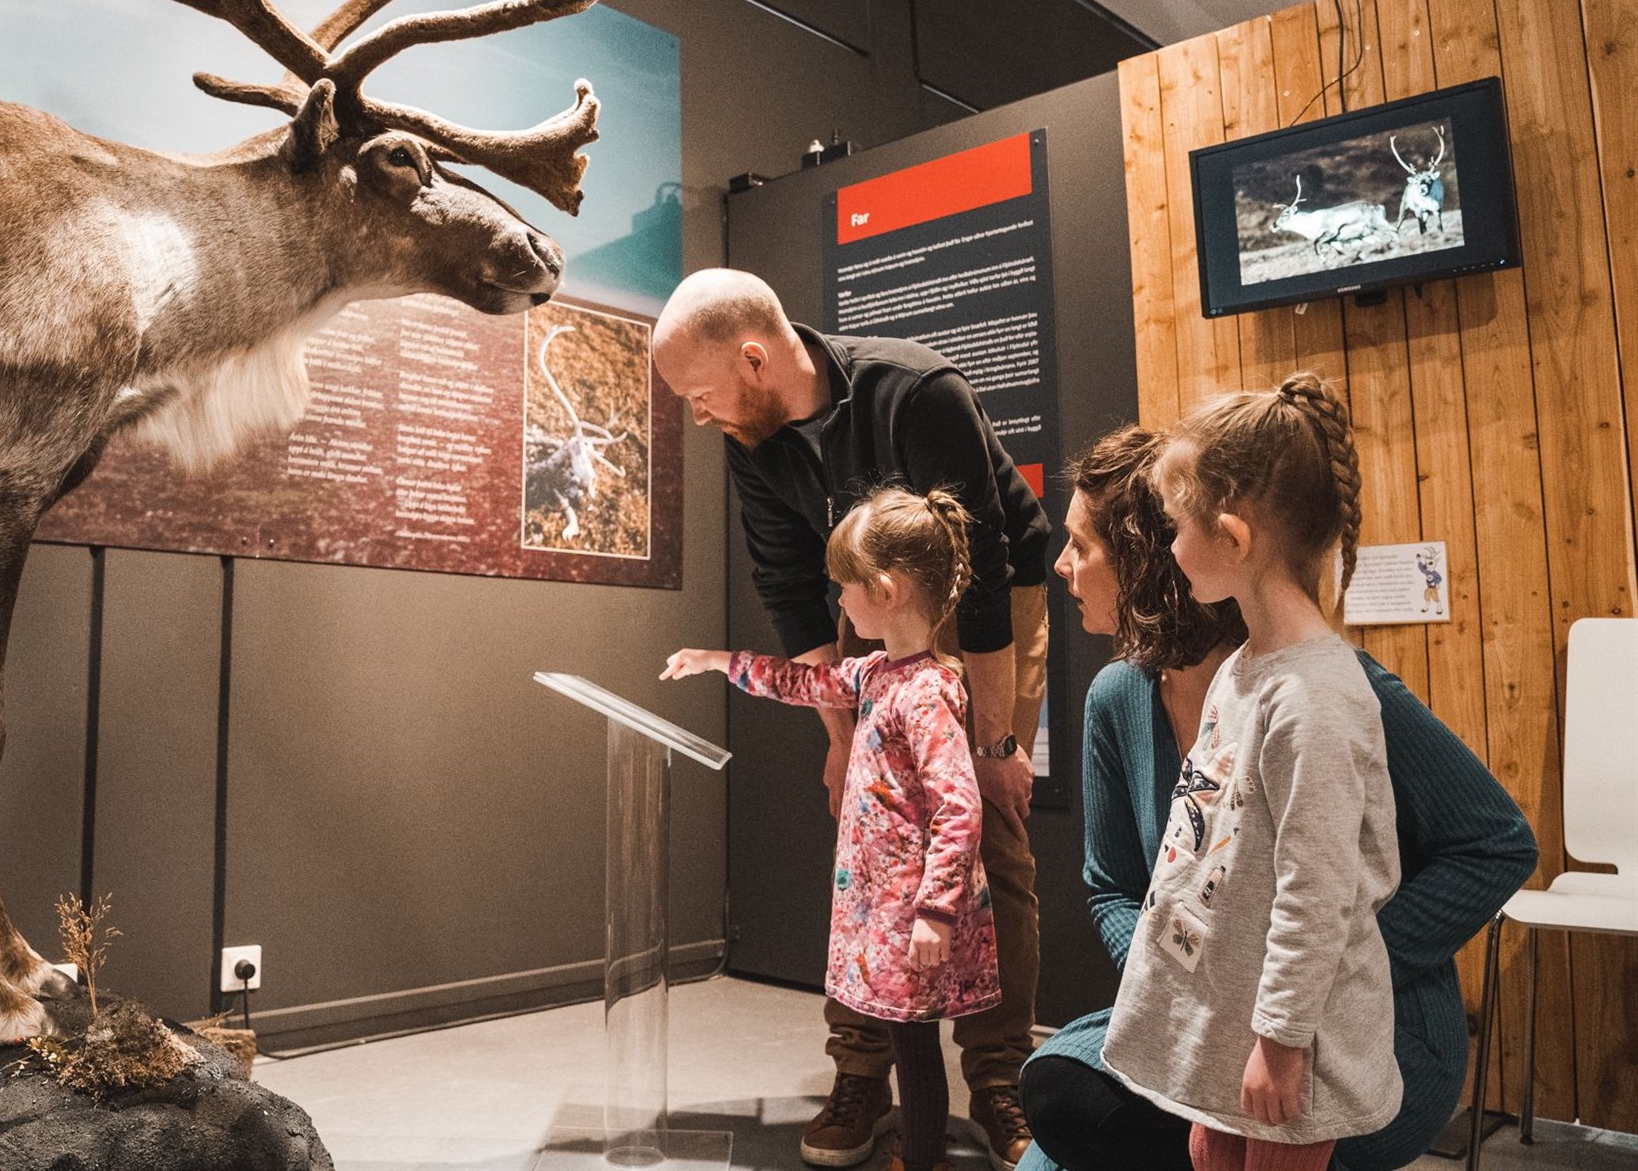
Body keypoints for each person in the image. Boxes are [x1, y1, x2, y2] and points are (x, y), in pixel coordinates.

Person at [1019, 422, 1536, 1171]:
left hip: (1346, 1026)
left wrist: (1314, 983)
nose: (1063, 565)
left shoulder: (1327, 692)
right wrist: (1193, 986)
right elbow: (1114, 890)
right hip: (1213, 1011)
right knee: (1064, 1113)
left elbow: (1497, 844)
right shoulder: (1122, 697)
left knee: (1100, 1124)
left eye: (1082, 544)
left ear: (1154, 554)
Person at [653, 268, 1050, 1168]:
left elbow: (984, 584)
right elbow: (793, 594)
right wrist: (846, 748)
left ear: (754, 359)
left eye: (700, 392)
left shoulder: (917, 393)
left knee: (990, 831)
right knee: (867, 839)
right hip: (866, 617)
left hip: (984, 602)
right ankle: (862, 1068)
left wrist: (990, 745)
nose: (697, 413)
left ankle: (999, 1077)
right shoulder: (751, 437)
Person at [664, 486, 999, 1171]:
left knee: (914, 1043)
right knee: (907, 1038)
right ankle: (920, 1148)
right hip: (886, 902)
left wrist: (936, 908)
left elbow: (959, 806)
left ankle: (927, 1156)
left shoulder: (928, 690)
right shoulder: (876, 673)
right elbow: (800, 683)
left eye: (846, 588)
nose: (839, 603)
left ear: (887, 589)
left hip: (911, 908)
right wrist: (718, 661)